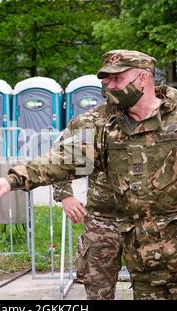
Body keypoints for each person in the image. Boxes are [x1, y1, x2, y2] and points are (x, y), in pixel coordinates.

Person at [0, 49, 177, 299]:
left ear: (143, 78)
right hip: (144, 261)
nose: (109, 86)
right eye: (106, 80)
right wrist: (13, 179)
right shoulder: (104, 127)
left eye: (117, 78)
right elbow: (62, 160)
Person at [52, 104, 122, 300]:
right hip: (102, 221)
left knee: (153, 291)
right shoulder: (93, 122)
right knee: (98, 291)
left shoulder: (159, 118)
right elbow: (60, 160)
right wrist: (65, 194)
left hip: (147, 222)